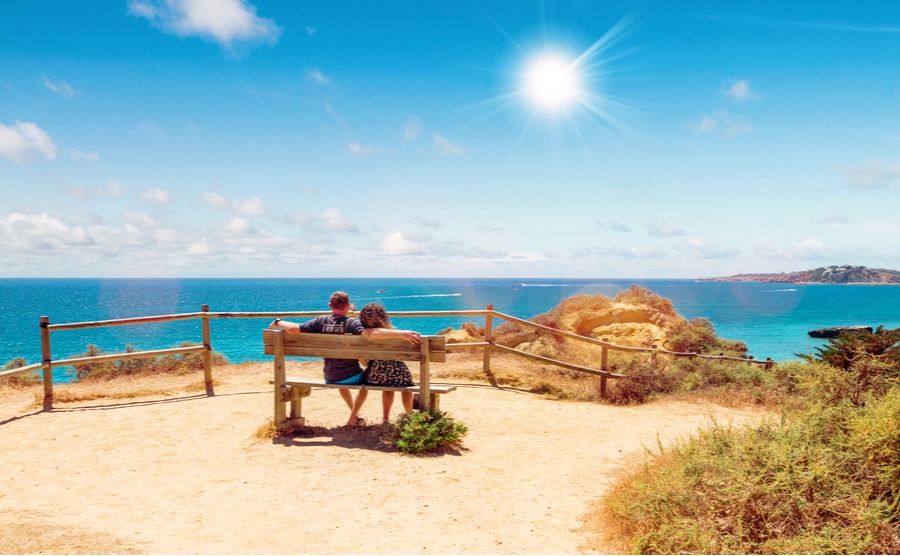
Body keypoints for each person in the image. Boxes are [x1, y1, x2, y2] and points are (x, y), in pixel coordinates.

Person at [268, 291, 369, 426]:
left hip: (331, 376)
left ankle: (356, 415)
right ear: (348, 306)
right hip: (352, 376)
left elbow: (292, 328)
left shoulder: (320, 321)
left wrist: (278, 322)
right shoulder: (352, 323)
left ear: (330, 306)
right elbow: (368, 334)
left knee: (341, 377)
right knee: (366, 383)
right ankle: (353, 417)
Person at [358, 302, 420, 424]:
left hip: (375, 376)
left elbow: (364, 363)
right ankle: (410, 415)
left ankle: (385, 418)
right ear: (383, 317)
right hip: (398, 375)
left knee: (388, 385)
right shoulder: (392, 335)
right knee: (407, 385)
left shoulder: (361, 333)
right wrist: (403, 334)